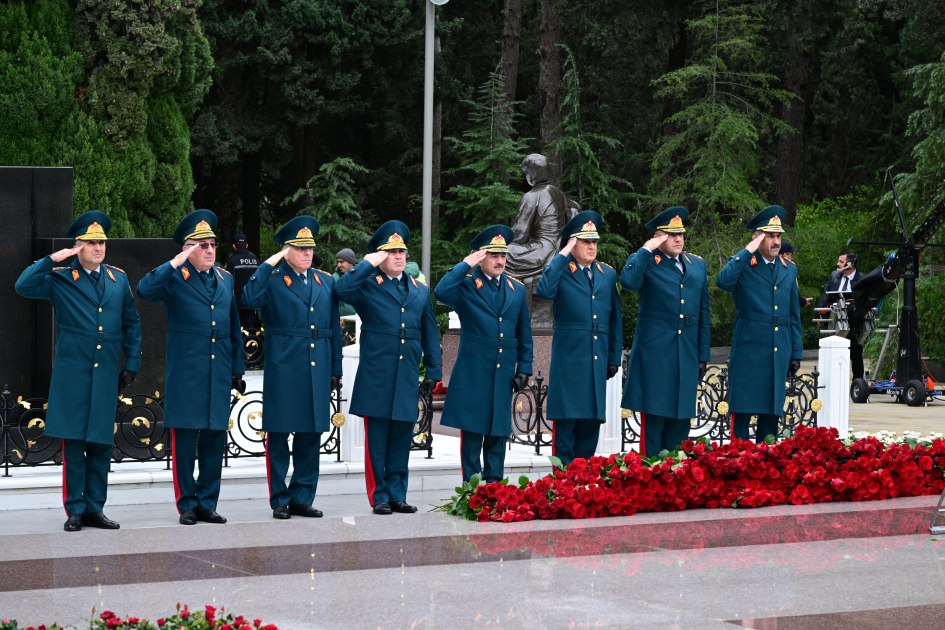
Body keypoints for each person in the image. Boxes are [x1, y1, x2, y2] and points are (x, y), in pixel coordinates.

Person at [15, 211, 142, 532]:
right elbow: (23, 285)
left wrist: (132, 364)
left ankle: (95, 508)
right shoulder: (60, 278)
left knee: (100, 444)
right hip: (73, 373)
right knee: (73, 444)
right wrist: (51, 259)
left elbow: (131, 323)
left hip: (105, 373)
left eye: (101, 242)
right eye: (90, 243)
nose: (98, 248)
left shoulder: (118, 279)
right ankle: (75, 509)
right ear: (77, 246)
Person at [136, 209, 246, 525]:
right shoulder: (174, 277)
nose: (210, 250)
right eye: (202, 245)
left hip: (218, 371)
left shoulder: (225, 279)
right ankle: (187, 504)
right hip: (187, 372)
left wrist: (237, 369)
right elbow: (144, 290)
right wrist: (175, 261)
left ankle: (207, 502)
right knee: (184, 441)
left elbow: (233, 326)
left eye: (212, 245)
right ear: (187, 248)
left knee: (214, 438)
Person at [335, 220, 442, 515]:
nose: (398, 257)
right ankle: (379, 495)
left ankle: (398, 493)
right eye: (391, 252)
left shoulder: (420, 291)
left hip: (406, 375)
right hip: (377, 376)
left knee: (400, 438)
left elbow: (430, 333)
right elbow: (341, 291)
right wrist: (366, 264)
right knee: (377, 441)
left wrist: (433, 369)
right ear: (381, 256)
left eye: (402, 252)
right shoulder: (367, 284)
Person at [241, 216, 342, 519]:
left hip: (317, 366)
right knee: (280, 435)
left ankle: (303, 496)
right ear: (286, 251)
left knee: (311, 435)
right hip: (285, 365)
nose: (308, 253)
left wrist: (335, 367)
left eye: (310, 248)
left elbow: (333, 327)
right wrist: (267, 265)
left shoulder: (325, 281)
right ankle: (280, 499)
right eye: (300, 248)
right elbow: (248, 298)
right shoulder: (271, 279)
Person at [435, 225, 533, 482]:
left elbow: (524, 331)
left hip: (502, 372)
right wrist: (465, 263)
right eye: (493, 256)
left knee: (498, 434)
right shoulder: (467, 284)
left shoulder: (516, 288)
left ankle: (495, 488)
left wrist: (525, 367)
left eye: (503, 256)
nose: (500, 261)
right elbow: (441, 292)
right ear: (481, 257)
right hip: (473, 371)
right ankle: (473, 490)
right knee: (472, 435)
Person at [619, 208, 710, 456]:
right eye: (671, 235)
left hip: (687, 353)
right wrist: (646, 249)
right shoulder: (647, 261)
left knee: (681, 421)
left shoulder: (697, 265)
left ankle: (675, 479)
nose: (678, 239)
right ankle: (649, 477)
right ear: (659, 237)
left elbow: (703, 313)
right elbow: (627, 281)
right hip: (656, 355)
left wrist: (703, 355)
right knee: (655, 420)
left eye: (680, 234)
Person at [535, 211, 623, 464]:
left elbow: (614, 319)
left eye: (594, 241)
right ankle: (562, 486)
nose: (592, 246)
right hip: (570, 361)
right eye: (586, 241)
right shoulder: (561, 270)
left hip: (596, 361)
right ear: (572, 243)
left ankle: (583, 485)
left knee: (590, 424)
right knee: (566, 427)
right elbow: (544, 291)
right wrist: (562, 254)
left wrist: (613, 356)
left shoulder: (607, 274)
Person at [716, 206, 803, 443]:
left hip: (777, 351)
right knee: (742, 414)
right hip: (749, 350)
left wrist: (795, 352)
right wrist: (747, 251)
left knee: (770, 417)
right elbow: (723, 281)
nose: (776, 242)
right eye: (769, 236)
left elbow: (793, 314)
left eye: (778, 236)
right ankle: (738, 462)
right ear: (757, 238)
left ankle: (765, 471)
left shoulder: (789, 270)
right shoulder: (744, 265)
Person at [819, 250, 864, 379]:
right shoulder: (834, 275)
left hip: (854, 323)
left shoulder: (862, 279)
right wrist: (822, 314)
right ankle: (832, 381)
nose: (838, 264)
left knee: (856, 355)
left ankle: (858, 385)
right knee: (832, 353)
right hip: (834, 321)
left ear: (850, 264)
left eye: (841, 262)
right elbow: (825, 295)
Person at [225, 234, 261, 330]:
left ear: (234, 246)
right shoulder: (256, 261)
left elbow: (227, 283)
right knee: (251, 332)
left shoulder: (232, 261)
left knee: (237, 331)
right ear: (247, 245)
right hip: (253, 304)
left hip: (237, 304)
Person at [779, 242, 814, 308]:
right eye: (791, 255)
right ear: (785, 255)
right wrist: (801, 301)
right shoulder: (788, 270)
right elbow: (792, 292)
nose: (792, 258)